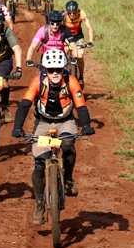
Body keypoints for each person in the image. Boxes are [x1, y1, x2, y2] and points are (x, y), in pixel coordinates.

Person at [11, 49, 95, 224]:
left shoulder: (71, 82)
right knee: (40, 165)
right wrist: (17, 127)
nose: (55, 73)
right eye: (51, 70)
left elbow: (81, 107)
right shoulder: (37, 83)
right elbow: (24, 105)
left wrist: (86, 125)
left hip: (66, 121)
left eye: (58, 69)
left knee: (67, 144)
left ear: (64, 68)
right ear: (45, 70)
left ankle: (69, 179)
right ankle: (40, 204)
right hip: (43, 123)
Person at [62, 0, 95, 78]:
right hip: (67, 36)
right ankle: (64, 72)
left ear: (77, 10)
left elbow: (89, 27)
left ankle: (81, 76)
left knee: (79, 56)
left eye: (74, 12)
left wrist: (90, 41)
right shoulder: (63, 15)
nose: (72, 14)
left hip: (78, 37)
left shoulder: (81, 13)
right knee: (65, 51)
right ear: (67, 12)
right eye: (70, 13)